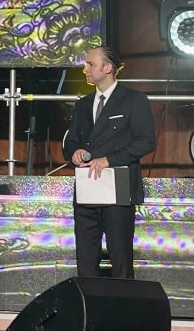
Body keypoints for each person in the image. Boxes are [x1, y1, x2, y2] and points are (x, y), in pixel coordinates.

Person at [62, 46, 155, 279]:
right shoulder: (83, 104)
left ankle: (124, 302)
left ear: (108, 68)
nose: (85, 69)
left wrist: (109, 160)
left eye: (90, 64)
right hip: (87, 188)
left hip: (118, 187)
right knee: (86, 258)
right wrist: (74, 152)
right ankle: (88, 302)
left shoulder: (134, 100)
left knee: (120, 257)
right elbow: (70, 140)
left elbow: (146, 141)